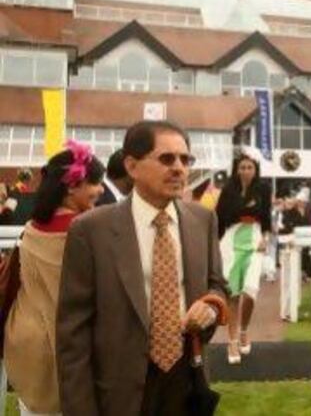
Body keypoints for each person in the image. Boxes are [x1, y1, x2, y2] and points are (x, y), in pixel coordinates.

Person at [56, 120, 228, 416]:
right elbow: (73, 335)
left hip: (186, 383)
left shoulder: (203, 221)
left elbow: (217, 286)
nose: (179, 168)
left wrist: (211, 307)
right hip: (120, 392)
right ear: (132, 166)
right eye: (166, 158)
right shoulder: (91, 230)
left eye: (185, 159)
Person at [4, 141, 104, 416]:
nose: (102, 189)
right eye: (95, 182)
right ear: (72, 186)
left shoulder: (30, 229)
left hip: (26, 345)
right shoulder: (91, 233)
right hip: (73, 355)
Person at [215, 151, 271, 365]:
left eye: (250, 167)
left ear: (255, 170)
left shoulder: (263, 189)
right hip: (231, 241)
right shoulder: (228, 190)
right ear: (237, 169)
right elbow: (220, 219)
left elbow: (266, 217)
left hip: (254, 239)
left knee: (250, 291)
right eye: (242, 167)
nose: (246, 171)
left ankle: (244, 329)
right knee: (233, 291)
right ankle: (232, 340)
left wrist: (265, 237)